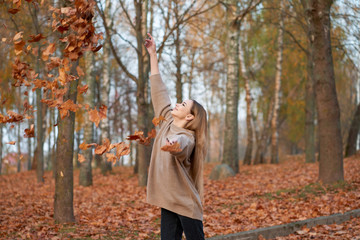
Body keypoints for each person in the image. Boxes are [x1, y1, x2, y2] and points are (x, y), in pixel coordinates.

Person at [144, 32, 207, 240]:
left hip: (186, 205)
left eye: (183, 105)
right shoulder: (166, 123)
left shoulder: (188, 137)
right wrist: (153, 54)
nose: (177, 104)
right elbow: (158, 90)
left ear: (189, 116)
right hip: (168, 201)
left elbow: (182, 145)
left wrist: (173, 145)